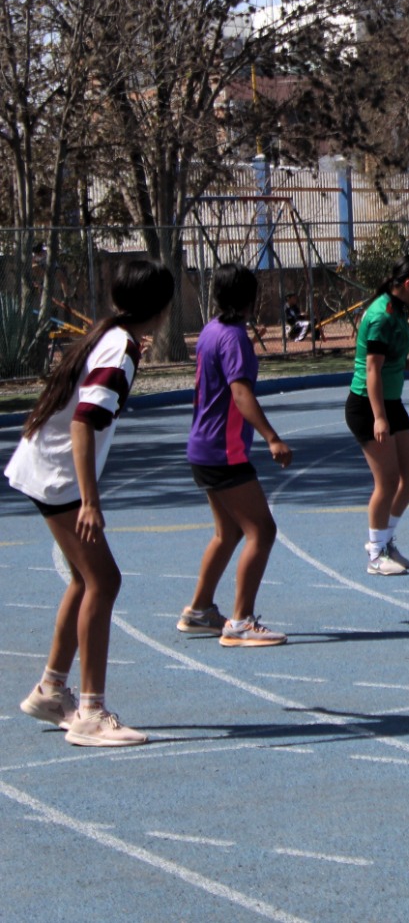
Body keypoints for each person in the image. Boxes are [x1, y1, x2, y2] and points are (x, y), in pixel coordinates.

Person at [7, 259, 175, 747]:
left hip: (44, 467)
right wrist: (90, 500)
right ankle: (90, 712)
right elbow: (84, 422)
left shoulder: (112, 336)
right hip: (59, 477)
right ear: (163, 310)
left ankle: (49, 690)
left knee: (86, 579)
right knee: (104, 580)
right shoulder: (120, 349)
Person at [176, 265, 294, 646]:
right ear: (250, 299)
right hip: (223, 451)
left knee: (227, 532)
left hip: (203, 446)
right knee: (262, 530)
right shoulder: (234, 338)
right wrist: (272, 437)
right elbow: (240, 393)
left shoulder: (210, 331)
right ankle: (241, 621)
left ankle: (199, 611)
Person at [346, 255, 409, 576]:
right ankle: (375, 553)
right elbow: (372, 369)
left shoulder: (397, 311)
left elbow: (392, 357)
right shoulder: (381, 316)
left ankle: (385, 540)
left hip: (390, 401)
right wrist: (379, 417)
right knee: (385, 481)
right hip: (368, 406)